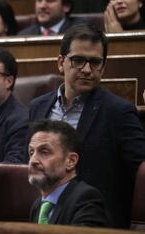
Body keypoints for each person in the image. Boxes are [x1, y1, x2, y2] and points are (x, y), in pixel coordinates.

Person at [29, 24, 145, 228]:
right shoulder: (38, 106)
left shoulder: (118, 112)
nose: (87, 69)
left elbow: (141, 174)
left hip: (96, 222)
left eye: (95, 62)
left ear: (104, 67)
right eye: (78, 60)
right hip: (44, 216)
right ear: (60, 62)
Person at [28, 119, 109, 226]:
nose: (33, 160)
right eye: (31, 152)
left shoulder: (86, 199)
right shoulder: (37, 205)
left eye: (44, 152)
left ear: (71, 161)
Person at [18, 0, 85, 36]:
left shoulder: (81, 33)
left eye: (50, 0)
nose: (42, 6)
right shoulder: (23, 35)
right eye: (39, 0)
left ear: (66, 6)